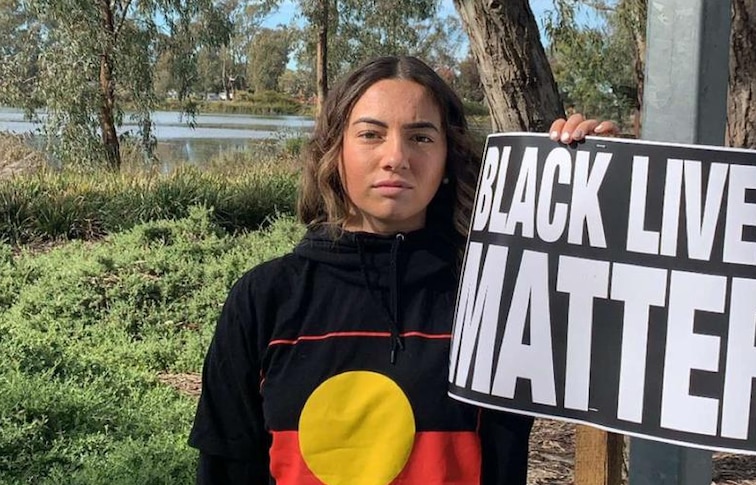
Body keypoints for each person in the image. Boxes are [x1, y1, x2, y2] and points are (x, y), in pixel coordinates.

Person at [189, 55, 618, 485]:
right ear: (334, 150)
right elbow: (227, 468)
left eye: (421, 137)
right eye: (371, 134)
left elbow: (615, 343)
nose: (396, 157)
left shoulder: (496, 296)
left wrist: (606, 187)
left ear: (449, 155)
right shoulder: (264, 299)